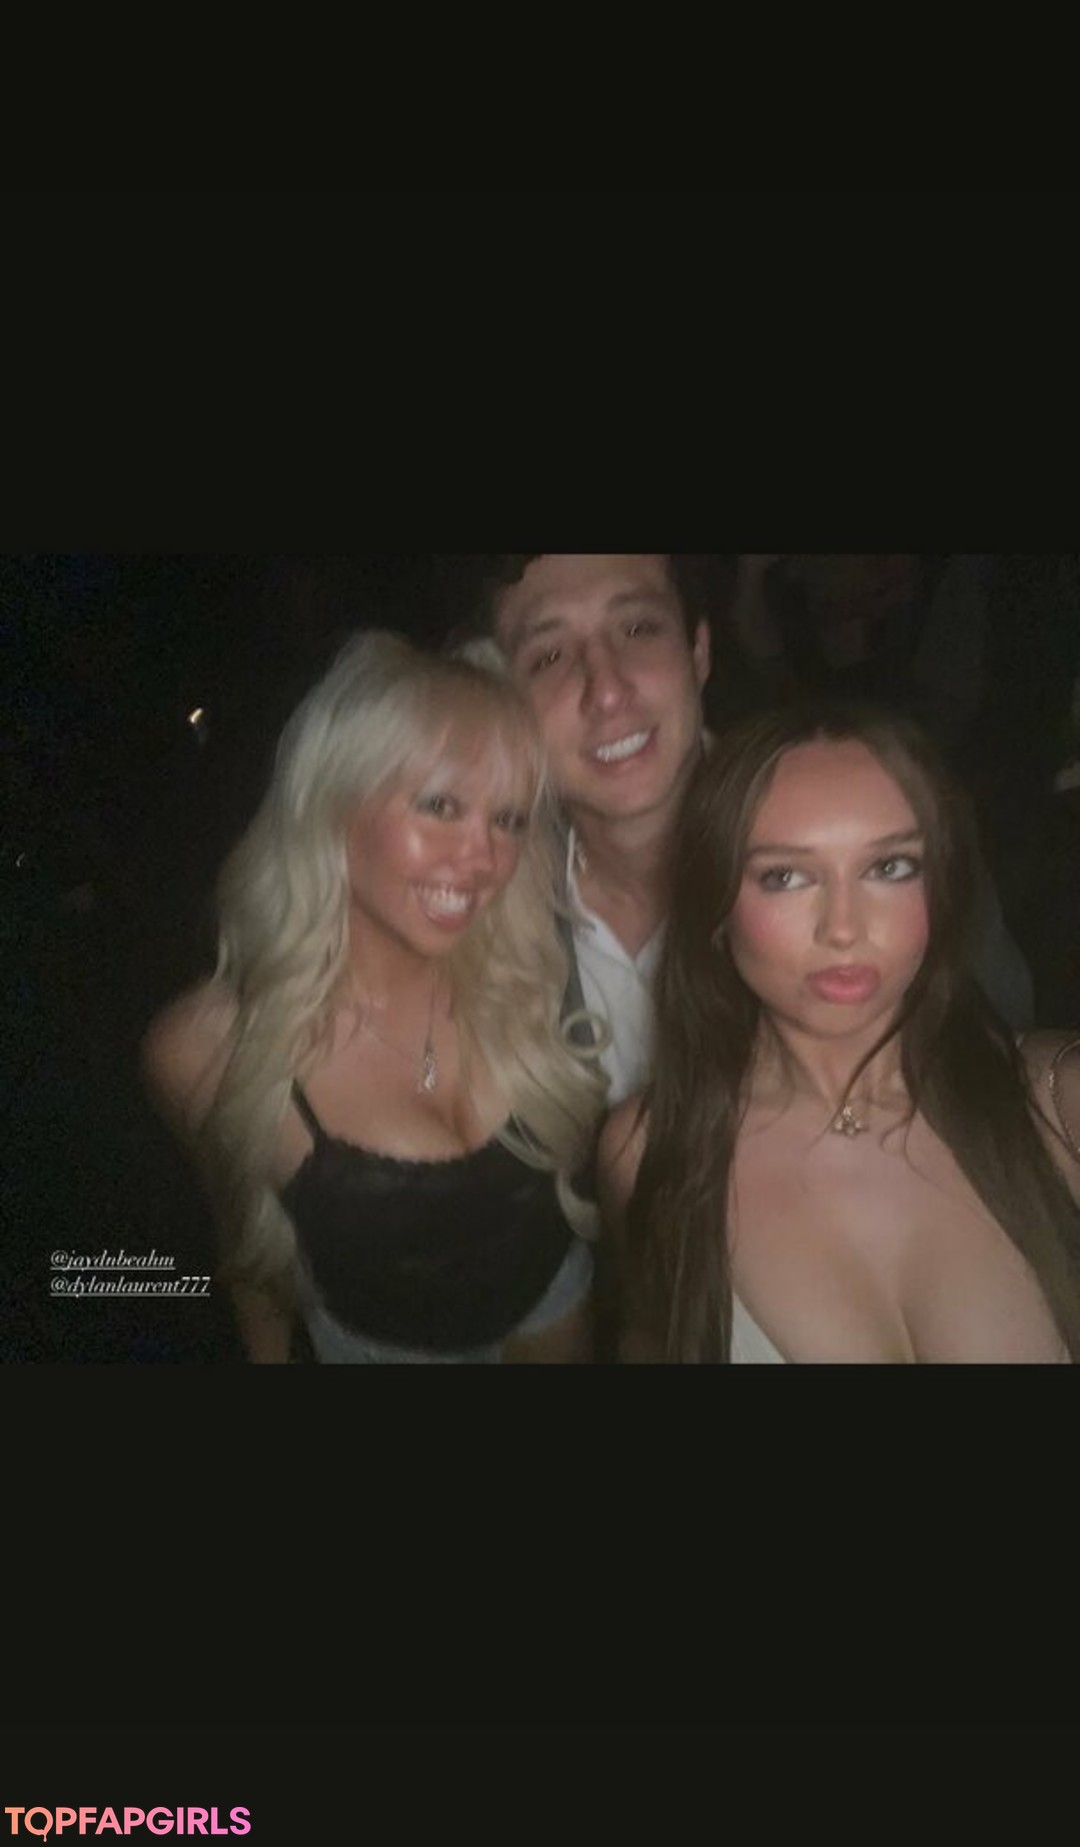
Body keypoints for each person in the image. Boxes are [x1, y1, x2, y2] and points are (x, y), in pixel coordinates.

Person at [142, 631, 606, 1363]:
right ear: (331, 805)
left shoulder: (534, 971)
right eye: (441, 805)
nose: (483, 857)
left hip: (560, 1308)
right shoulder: (207, 1046)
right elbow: (248, 1243)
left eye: (508, 819)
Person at [598, 702, 1080, 1363]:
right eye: (786, 876)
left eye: (890, 867)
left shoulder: (1060, 1106)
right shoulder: (649, 1150)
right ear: (714, 904)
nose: (844, 928)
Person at [479, 553, 713, 1107]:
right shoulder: (470, 906)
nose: (607, 691)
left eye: (637, 629)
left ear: (698, 653)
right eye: (549, 656)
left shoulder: (838, 872)